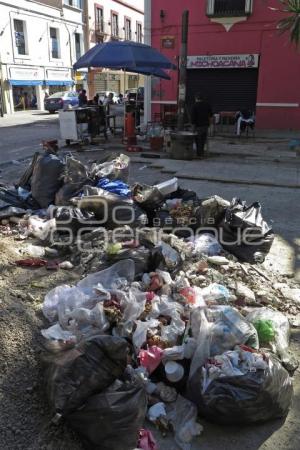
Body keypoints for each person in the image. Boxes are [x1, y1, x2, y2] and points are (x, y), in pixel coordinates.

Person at [191, 92, 213, 159]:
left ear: (196, 98)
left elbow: (193, 117)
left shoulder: (195, 106)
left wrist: (193, 126)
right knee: (203, 140)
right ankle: (201, 153)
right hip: (205, 126)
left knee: (198, 140)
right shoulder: (207, 105)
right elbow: (211, 115)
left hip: (198, 126)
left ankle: (199, 154)